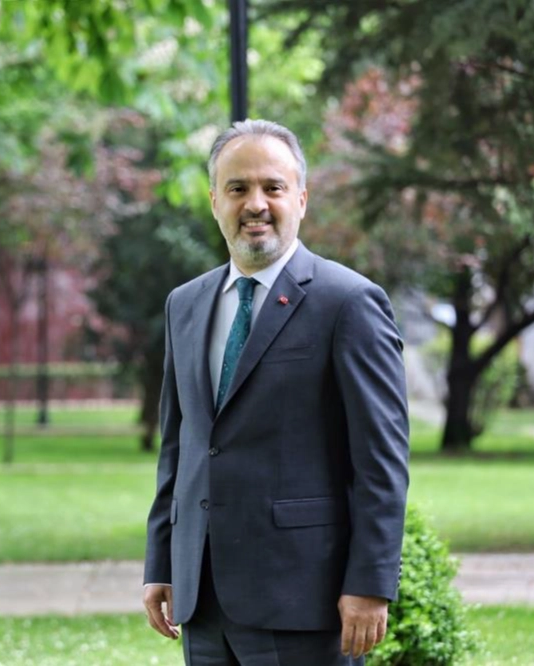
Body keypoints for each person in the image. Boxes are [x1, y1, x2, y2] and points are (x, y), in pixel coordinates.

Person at [142, 119, 410, 666]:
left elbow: (382, 462)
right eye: (238, 188)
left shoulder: (348, 302)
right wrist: (162, 562)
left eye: (273, 187)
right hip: (202, 598)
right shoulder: (184, 305)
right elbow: (180, 446)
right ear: (214, 200)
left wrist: (370, 583)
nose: (256, 204)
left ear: (302, 200)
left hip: (305, 597)